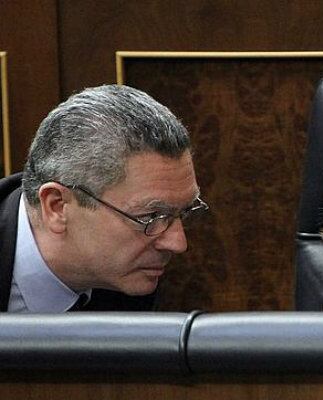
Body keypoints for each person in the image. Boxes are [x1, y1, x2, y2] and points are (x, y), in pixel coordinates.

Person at [0, 84, 208, 313]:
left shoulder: (132, 279)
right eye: (151, 216)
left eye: (185, 213)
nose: (178, 244)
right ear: (57, 206)